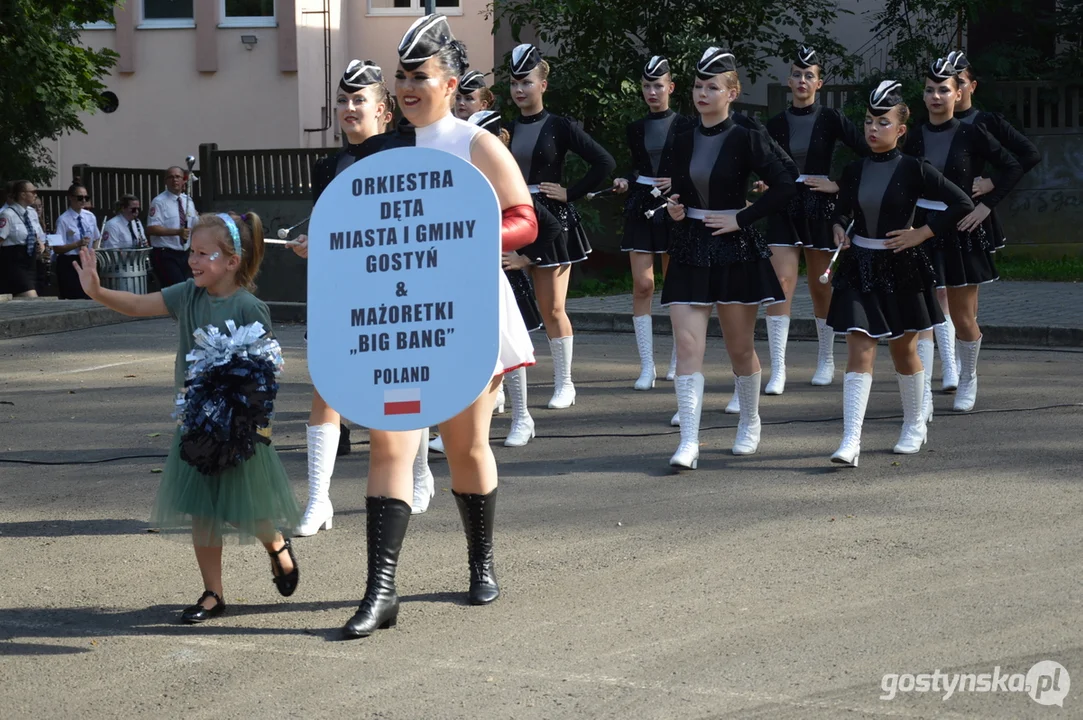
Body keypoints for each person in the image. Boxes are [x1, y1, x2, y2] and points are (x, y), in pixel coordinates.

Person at [338, 14, 537, 638]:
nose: (405, 87)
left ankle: (481, 561)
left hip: (467, 309)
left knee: (464, 446)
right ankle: (380, 591)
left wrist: (466, 241)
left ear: (449, 83)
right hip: (397, 313)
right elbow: (361, 229)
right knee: (390, 443)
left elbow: (526, 221)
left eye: (418, 75)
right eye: (400, 76)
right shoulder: (378, 152)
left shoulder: (477, 144)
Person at [72, 211, 300, 623]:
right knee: (203, 509)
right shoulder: (188, 295)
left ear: (231, 261)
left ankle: (277, 545)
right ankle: (213, 593)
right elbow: (140, 304)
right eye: (190, 252)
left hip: (237, 429)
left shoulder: (250, 307)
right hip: (195, 423)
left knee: (245, 508)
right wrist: (98, 291)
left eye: (203, 254)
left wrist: (252, 424)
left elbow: (264, 374)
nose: (192, 261)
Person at [289, 60, 436, 532]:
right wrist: (311, 243)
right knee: (325, 388)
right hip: (341, 290)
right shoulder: (326, 166)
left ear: (383, 109)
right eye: (343, 100)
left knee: (400, 390)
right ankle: (318, 499)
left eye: (359, 100)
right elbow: (329, 227)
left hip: (397, 289)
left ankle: (419, 471)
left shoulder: (407, 148)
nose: (348, 108)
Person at [826, 81, 974, 466]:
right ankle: (850, 440)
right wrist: (840, 229)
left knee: (904, 350)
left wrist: (922, 233)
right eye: (869, 122)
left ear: (901, 129)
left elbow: (960, 202)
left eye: (883, 122)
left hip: (902, 267)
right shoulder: (854, 168)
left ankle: (913, 425)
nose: (873, 129)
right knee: (859, 344)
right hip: (859, 265)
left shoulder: (913, 168)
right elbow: (842, 209)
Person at [662, 48, 795, 469]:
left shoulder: (746, 134)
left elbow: (786, 184)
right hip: (689, 245)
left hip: (735, 248)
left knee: (740, 349)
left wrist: (743, 217)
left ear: (732, 93)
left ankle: (750, 420)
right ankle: (689, 441)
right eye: (699, 86)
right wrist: (674, 206)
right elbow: (674, 187)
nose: (703, 93)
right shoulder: (682, 135)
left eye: (712, 87)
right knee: (686, 345)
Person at [904, 57, 1022, 415]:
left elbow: (1014, 165)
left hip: (961, 228)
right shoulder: (912, 135)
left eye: (943, 89)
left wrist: (987, 204)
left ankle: (968, 376)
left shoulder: (972, 132)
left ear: (959, 93)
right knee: (922, 311)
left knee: (963, 315)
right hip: (922, 228)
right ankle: (922, 391)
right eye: (929, 90)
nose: (935, 96)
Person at [507, 43, 616, 409]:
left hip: (553, 222)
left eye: (526, 82)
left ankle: (565, 383)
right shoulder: (503, 129)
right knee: (509, 307)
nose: (519, 90)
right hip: (514, 219)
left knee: (552, 308)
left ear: (543, 85)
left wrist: (571, 193)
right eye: (514, 83)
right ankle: (505, 393)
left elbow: (604, 162)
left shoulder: (560, 126)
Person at [762, 46, 868, 394]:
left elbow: (870, 152)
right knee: (780, 282)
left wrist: (838, 184)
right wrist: (764, 181)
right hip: (783, 205)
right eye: (797, 74)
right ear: (789, 80)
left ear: (819, 83)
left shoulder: (831, 119)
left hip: (820, 207)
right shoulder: (775, 123)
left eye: (809, 75)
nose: (802, 80)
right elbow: (761, 162)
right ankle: (778, 369)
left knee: (821, 285)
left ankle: (826, 359)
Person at [470, 108, 562, 447]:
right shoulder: (465, 182)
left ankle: (523, 417)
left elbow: (550, 227)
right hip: (468, 279)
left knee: (509, 349)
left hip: (504, 278)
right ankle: (461, 428)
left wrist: (525, 258)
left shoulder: (508, 187)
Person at [611, 56, 695, 391]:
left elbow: (695, 166)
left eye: (658, 85)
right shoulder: (635, 128)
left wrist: (678, 183)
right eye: (647, 86)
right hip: (643, 204)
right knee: (643, 285)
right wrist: (625, 181)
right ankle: (647, 366)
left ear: (671, 88)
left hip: (674, 204)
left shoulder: (688, 125)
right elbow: (636, 168)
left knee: (675, 285)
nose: (652, 91)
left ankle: (677, 360)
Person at [147, 166, 199, 288]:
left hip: (185, 252)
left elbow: (196, 223)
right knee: (178, 288)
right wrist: (177, 232)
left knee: (190, 287)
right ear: (165, 181)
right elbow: (151, 228)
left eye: (177, 177)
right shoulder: (159, 202)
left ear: (183, 180)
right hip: (166, 254)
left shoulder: (188, 200)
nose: (174, 180)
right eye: (170, 177)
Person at [53, 183, 101, 299]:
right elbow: (57, 248)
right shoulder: (63, 220)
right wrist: (77, 244)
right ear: (71, 197)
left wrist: (93, 251)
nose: (83, 200)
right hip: (70, 261)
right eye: (80, 197)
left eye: (86, 198)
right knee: (74, 295)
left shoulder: (90, 216)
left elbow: (96, 237)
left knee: (90, 294)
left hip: (87, 259)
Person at [0, 180, 47, 298]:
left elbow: (36, 234)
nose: (36, 194)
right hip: (14, 263)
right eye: (33, 191)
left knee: (21, 302)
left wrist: (40, 245)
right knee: (31, 298)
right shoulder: (7, 214)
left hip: (30, 262)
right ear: (23, 195)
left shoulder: (32, 213)